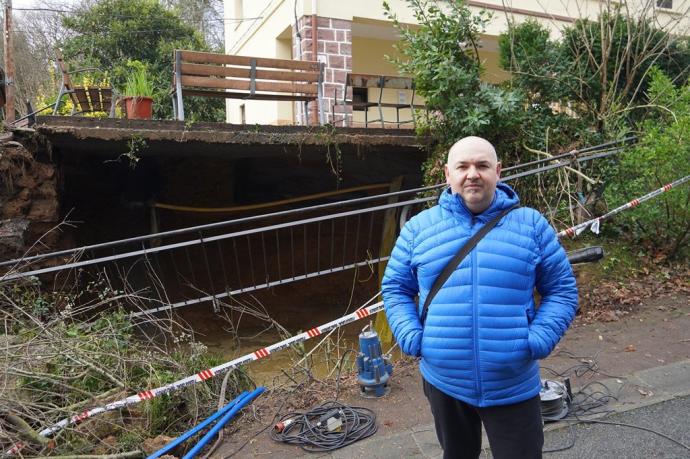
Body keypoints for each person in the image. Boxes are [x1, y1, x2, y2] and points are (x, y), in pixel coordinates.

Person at [382, 136, 578, 459]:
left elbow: (562, 290)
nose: (472, 173)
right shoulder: (419, 230)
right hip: (445, 381)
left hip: (513, 382)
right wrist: (412, 336)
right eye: (463, 166)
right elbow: (396, 289)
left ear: (497, 172)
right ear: (448, 174)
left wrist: (539, 339)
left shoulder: (531, 226)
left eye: (482, 165)